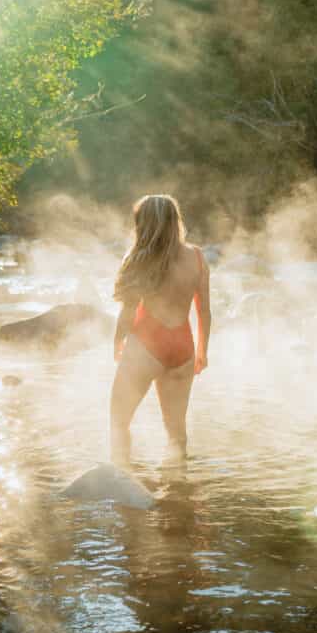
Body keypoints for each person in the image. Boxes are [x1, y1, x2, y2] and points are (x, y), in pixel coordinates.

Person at [109, 194, 210, 466]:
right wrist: (202, 351)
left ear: (143, 223)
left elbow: (129, 311)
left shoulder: (139, 258)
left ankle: (123, 482)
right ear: (174, 221)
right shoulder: (197, 257)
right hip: (184, 348)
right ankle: (178, 495)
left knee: (119, 422)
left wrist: (118, 341)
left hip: (147, 345)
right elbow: (203, 311)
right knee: (176, 433)